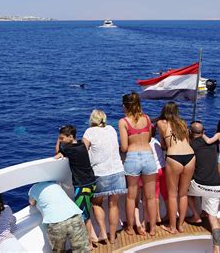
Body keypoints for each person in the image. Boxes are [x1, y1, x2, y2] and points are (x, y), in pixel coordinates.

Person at [83, 109, 127, 244]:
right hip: (118, 171)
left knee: (96, 203)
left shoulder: (89, 132)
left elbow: (83, 150)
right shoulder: (111, 129)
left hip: (100, 173)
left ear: (92, 120)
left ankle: (102, 232)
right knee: (114, 205)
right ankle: (113, 237)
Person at [119, 92, 157, 236]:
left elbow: (124, 147)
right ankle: (152, 229)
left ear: (125, 106)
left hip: (133, 158)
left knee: (131, 197)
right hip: (148, 156)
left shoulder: (123, 122)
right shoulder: (147, 119)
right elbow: (147, 140)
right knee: (151, 197)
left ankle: (130, 227)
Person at [54, 125, 97, 249]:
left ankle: (89, 244)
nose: (61, 140)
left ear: (70, 137)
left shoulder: (69, 149)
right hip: (91, 183)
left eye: (62, 138)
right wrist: (62, 139)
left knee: (84, 217)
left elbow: (56, 153)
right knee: (87, 213)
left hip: (82, 186)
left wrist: (58, 142)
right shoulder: (81, 145)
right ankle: (92, 238)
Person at [157, 101, 196, 234]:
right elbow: (188, 141)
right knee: (183, 194)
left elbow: (163, 145)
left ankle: (172, 227)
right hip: (190, 156)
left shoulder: (161, 123)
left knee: (172, 195)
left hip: (174, 157)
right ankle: (181, 225)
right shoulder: (183, 123)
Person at [188, 121, 220, 253]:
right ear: (203, 132)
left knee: (185, 192)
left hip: (199, 185)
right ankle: (216, 247)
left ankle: (196, 215)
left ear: (191, 132)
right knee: (213, 219)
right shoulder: (213, 143)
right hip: (215, 186)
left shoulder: (191, 144)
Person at [28, 181, 89, 253]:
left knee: (58, 251)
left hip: (55, 222)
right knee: (81, 249)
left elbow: (32, 202)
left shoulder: (33, 189)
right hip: (74, 215)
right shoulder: (55, 183)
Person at [150, 125, 168, 223]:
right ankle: (169, 214)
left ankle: (157, 217)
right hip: (163, 168)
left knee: (155, 195)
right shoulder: (157, 142)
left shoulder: (147, 144)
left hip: (155, 171)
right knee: (165, 193)